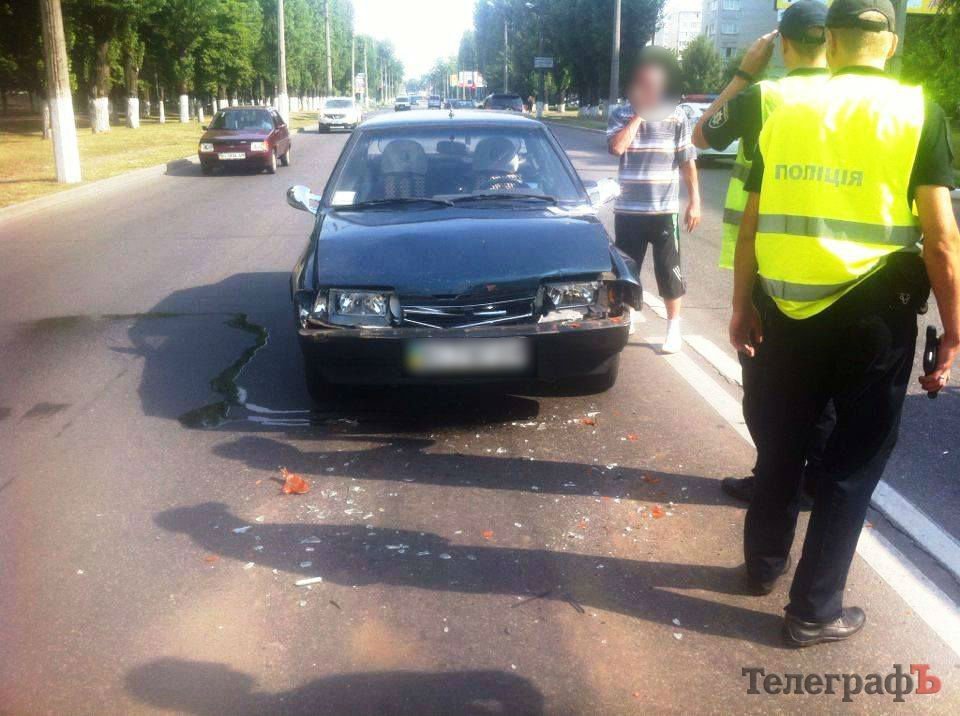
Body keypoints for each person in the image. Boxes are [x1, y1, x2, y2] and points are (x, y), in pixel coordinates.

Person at [730, 0, 959, 646]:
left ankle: (762, 566)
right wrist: (955, 331)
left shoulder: (781, 107)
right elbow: (942, 241)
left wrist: (741, 304)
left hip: (782, 309)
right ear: (888, 44)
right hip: (872, 316)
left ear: (828, 41)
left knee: (780, 444)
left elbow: (752, 223)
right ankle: (814, 609)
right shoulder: (917, 113)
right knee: (852, 462)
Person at [692, 1, 835, 504]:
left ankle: (777, 478)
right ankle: (814, 479)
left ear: (783, 44)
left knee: (768, 390)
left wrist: (742, 72)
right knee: (824, 388)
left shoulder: (765, 96)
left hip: (770, 264)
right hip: (842, 265)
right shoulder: (858, 99)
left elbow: (701, 134)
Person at [608, 49, 701, 353]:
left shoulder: (677, 116)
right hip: (629, 210)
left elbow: (687, 162)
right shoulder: (620, 113)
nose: (650, 91)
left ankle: (674, 327)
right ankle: (632, 313)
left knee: (669, 270)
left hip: (664, 210)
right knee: (628, 270)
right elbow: (618, 147)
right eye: (643, 85)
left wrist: (695, 201)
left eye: (655, 86)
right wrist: (639, 114)